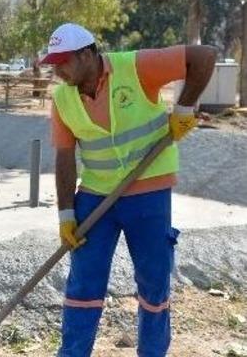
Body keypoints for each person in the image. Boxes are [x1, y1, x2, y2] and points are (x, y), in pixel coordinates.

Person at [42, 23, 215, 357]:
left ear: (87, 53)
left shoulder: (136, 67)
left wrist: (183, 108)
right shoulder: (62, 99)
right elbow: (65, 159)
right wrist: (66, 214)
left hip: (148, 194)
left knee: (153, 285)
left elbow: (204, 57)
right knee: (83, 285)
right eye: (54, 63)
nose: (58, 70)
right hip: (95, 198)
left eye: (64, 62)